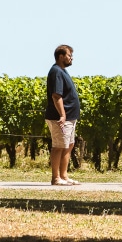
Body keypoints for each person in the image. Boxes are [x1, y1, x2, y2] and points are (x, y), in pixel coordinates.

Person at [44, 44, 81, 186]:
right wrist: (63, 115)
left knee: (69, 145)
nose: (71, 58)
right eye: (69, 55)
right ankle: (55, 178)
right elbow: (56, 96)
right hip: (60, 117)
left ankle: (64, 176)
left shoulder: (62, 71)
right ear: (61, 56)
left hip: (70, 117)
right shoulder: (56, 72)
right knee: (59, 146)